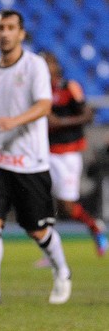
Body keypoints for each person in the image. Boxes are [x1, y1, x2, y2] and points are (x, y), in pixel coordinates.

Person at [0, 10, 72, 306]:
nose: (4, 33)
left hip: (30, 162)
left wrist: (12, 121)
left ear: (21, 33)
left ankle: (62, 272)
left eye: (10, 28)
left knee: (37, 229)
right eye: (0, 28)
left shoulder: (35, 66)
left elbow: (44, 106)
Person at [40, 51, 106, 259]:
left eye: (47, 63)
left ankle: (94, 226)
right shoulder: (38, 91)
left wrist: (61, 123)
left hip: (68, 153)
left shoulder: (69, 87)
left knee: (67, 206)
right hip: (45, 152)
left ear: (55, 66)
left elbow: (87, 114)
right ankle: (50, 251)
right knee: (41, 199)